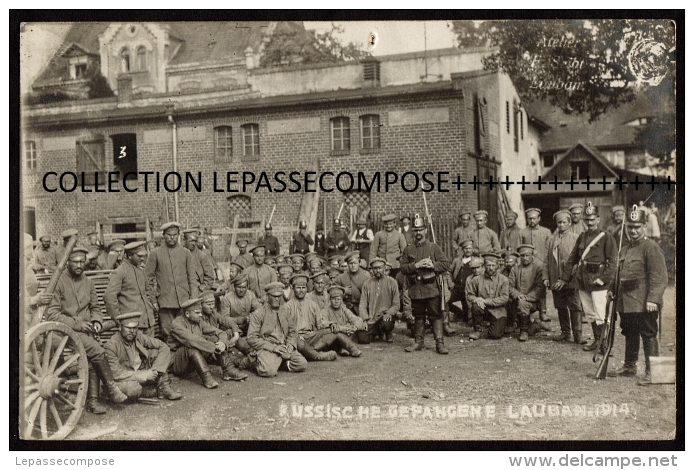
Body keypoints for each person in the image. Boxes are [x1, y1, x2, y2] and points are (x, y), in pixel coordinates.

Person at [46, 246, 128, 414]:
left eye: (82, 262)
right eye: (75, 262)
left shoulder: (88, 282)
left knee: (91, 356)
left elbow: (96, 307)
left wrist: (97, 321)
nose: (79, 265)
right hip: (62, 331)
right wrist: (77, 325)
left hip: (84, 331)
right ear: (68, 262)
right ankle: (111, 388)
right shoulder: (58, 282)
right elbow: (52, 314)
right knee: (97, 351)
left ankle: (93, 401)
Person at [612, 205, 668, 385]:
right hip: (627, 302)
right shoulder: (625, 248)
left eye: (637, 227)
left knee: (648, 333)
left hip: (644, 302)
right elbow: (619, 273)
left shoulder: (650, 247)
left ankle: (653, 372)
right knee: (629, 332)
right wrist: (611, 291)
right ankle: (629, 366)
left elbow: (659, 277)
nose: (633, 231)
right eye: (630, 227)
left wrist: (653, 299)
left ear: (644, 226)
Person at [555, 202, 618, 352]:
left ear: (598, 219)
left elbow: (613, 262)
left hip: (598, 281)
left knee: (601, 314)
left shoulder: (606, 237)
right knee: (590, 313)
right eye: (587, 219)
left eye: (592, 219)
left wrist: (603, 279)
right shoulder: (582, 237)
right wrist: (564, 278)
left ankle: (605, 344)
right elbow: (572, 258)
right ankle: (597, 341)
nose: (589, 222)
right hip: (583, 281)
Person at [103, 312, 182, 402]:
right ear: (120, 328)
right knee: (132, 389)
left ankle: (164, 387)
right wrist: (144, 374)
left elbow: (163, 346)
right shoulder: (111, 345)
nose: (132, 331)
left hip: (140, 371)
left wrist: (156, 370)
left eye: (135, 327)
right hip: (124, 378)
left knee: (156, 353)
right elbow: (116, 374)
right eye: (128, 328)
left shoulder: (138, 336)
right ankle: (154, 392)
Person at [400, 214, 451, 354]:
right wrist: (415, 265)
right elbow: (403, 268)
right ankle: (418, 342)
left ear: (426, 230)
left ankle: (439, 343)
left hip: (431, 288)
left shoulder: (433, 247)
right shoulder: (408, 249)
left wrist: (433, 264)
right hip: (416, 288)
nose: (418, 233)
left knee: (435, 315)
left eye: (420, 229)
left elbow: (446, 264)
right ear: (412, 232)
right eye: (415, 230)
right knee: (419, 315)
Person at [171, 298, 248, 388]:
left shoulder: (198, 321)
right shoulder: (176, 324)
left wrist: (222, 342)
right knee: (192, 347)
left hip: (193, 362)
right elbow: (192, 340)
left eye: (200, 312)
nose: (200, 315)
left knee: (215, 339)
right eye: (197, 313)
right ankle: (206, 377)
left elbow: (219, 332)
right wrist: (214, 347)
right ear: (187, 314)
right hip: (178, 363)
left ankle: (228, 370)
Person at [145, 222, 200, 348]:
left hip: (184, 301)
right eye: (169, 235)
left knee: (184, 332)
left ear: (179, 235)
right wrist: (153, 300)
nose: (172, 238)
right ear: (163, 235)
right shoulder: (156, 253)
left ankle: (184, 361)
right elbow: (147, 279)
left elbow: (192, 278)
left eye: (175, 235)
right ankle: (171, 361)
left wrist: (194, 299)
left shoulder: (186, 253)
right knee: (168, 332)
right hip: (165, 301)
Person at [240, 282, 308, 377]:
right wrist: (273, 348)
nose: (277, 299)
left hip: (283, 346)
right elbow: (251, 338)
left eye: (279, 296)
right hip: (267, 347)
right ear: (268, 296)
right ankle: (252, 361)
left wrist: (290, 344)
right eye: (274, 296)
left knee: (302, 364)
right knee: (268, 372)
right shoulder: (259, 313)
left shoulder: (285, 311)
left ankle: (279, 363)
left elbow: (292, 332)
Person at [544, 210, 585, 344]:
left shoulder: (576, 238)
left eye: (564, 222)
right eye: (559, 223)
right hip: (556, 277)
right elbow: (545, 261)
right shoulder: (551, 240)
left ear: (569, 223)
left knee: (575, 305)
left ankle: (578, 334)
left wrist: (574, 273)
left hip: (571, 278)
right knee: (560, 306)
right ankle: (565, 332)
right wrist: (546, 277)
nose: (561, 225)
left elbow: (580, 259)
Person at [104, 241, 157, 337]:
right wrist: (118, 318)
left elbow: (147, 292)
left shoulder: (141, 271)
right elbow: (109, 296)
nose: (142, 258)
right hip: (132, 325)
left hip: (148, 321)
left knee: (150, 350)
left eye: (144, 255)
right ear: (129, 256)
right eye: (139, 256)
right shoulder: (120, 272)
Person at [286, 274, 338, 361]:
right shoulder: (287, 306)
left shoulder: (312, 304)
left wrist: (330, 323)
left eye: (303, 288)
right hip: (297, 338)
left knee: (332, 332)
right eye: (298, 288)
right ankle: (318, 356)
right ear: (293, 288)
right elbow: (286, 330)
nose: (301, 290)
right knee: (297, 341)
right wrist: (295, 336)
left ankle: (308, 352)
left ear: (307, 288)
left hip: (311, 336)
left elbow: (320, 324)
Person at [466, 253, 509, 340]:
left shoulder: (504, 279)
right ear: (484, 266)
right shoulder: (477, 279)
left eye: (493, 265)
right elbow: (470, 295)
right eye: (488, 265)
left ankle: (495, 327)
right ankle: (477, 330)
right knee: (476, 306)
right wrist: (477, 300)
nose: (491, 268)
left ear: (497, 265)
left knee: (495, 335)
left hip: (498, 311)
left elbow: (504, 298)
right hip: (483, 308)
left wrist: (485, 301)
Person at [508, 245, 546, 341]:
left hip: (533, 301)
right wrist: (518, 295)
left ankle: (524, 331)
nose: (525, 258)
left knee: (523, 304)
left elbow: (540, 288)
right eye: (522, 256)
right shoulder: (515, 269)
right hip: (517, 300)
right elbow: (509, 286)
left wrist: (527, 297)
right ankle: (535, 325)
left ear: (532, 256)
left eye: (527, 255)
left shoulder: (538, 269)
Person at [520, 208, 552, 322]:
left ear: (539, 219)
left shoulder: (546, 232)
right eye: (530, 218)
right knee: (529, 286)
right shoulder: (523, 232)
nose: (532, 220)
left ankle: (543, 312)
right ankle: (528, 310)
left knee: (542, 287)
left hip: (542, 264)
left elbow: (550, 249)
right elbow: (519, 249)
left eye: (534, 218)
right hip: (528, 264)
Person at [357, 257, 399, 343]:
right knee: (362, 338)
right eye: (375, 268)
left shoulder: (392, 282)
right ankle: (377, 331)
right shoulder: (367, 284)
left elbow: (396, 304)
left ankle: (388, 332)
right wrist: (364, 319)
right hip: (372, 318)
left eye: (380, 268)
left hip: (385, 316)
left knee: (386, 323)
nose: (378, 270)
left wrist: (389, 313)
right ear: (372, 269)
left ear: (384, 268)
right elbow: (363, 304)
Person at [318, 285, 364, 357]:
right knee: (336, 333)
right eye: (334, 299)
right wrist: (341, 328)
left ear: (341, 300)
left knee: (352, 332)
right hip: (332, 338)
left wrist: (354, 328)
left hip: (346, 335)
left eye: (338, 299)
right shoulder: (325, 310)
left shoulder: (344, 310)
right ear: (330, 300)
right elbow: (322, 323)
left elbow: (357, 320)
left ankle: (343, 348)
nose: (336, 301)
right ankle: (352, 349)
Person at [370, 213, 407, 279]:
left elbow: (404, 251)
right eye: (386, 224)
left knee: (395, 282)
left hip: (395, 265)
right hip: (381, 265)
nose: (388, 226)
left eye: (390, 224)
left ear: (394, 224)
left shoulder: (400, 235)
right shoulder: (378, 235)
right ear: (383, 224)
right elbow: (373, 250)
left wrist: (403, 263)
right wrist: (371, 265)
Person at [449, 239, 475, 323]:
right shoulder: (457, 260)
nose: (468, 250)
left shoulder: (476, 260)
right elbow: (448, 272)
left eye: (469, 248)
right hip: (456, 288)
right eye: (465, 248)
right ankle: (457, 312)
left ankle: (465, 316)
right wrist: (450, 283)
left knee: (467, 319)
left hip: (469, 290)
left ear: (472, 249)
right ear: (462, 250)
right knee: (444, 300)